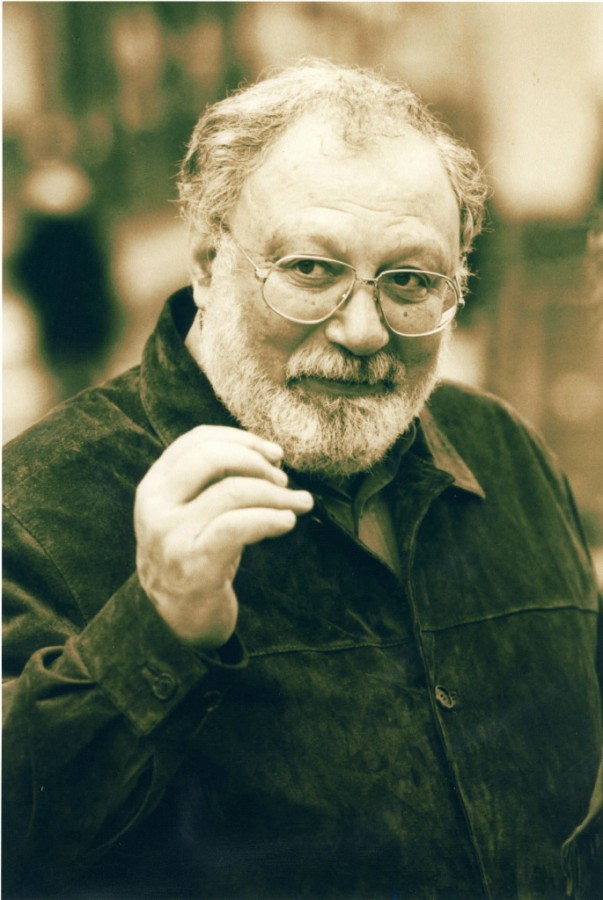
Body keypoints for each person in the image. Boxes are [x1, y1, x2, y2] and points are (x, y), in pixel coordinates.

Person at [3, 60, 602, 900]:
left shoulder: (505, 453)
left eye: (409, 282)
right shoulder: (33, 506)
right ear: (207, 263)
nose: (362, 331)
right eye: (311, 271)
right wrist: (153, 633)